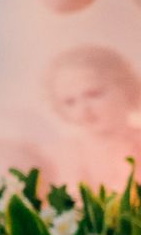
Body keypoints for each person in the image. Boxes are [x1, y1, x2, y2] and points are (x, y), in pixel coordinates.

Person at [44, 45, 141, 189]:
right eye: (70, 102)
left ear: (124, 87)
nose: (84, 110)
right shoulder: (64, 158)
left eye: (93, 94)